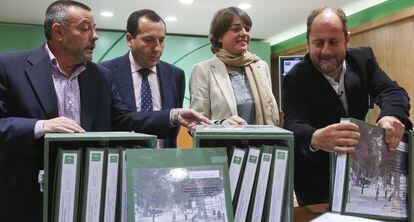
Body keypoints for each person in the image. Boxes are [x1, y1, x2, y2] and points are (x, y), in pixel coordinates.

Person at [0, 1, 209, 221]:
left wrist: (173, 115)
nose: (95, 35)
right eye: (85, 28)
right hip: (26, 198)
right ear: (58, 32)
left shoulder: (99, 75)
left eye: (95, 27)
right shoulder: (10, 66)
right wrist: (41, 126)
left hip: (89, 196)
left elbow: (125, 120)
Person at [282, 6, 412, 205]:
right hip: (316, 183)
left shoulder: (364, 59)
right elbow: (294, 124)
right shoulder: (294, 78)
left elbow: (392, 92)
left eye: (333, 42)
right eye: (318, 43)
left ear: (347, 40)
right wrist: (315, 138)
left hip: (361, 178)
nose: (326, 51)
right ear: (308, 43)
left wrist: (391, 116)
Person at [101, 9, 185, 148]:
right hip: (121, 162)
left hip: (163, 162)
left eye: (162, 40)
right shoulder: (105, 72)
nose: (157, 48)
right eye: (149, 40)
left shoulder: (175, 75)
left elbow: (173, 129)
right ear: (129, 39)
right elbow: (113, 121)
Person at [189, 7, 279, 126]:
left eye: (247, 29)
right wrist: (220, 124)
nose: (244, 34)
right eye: (236, 29)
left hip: (261, 143)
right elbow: (195, 123)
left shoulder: (261, 66)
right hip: (223, 144)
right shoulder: (202, 70)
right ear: (219, 37)